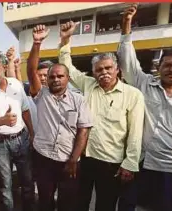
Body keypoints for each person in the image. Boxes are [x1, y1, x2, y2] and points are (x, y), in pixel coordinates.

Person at [58, 21, 145, 211]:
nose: (103, 72)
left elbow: (135, 132)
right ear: (94, 72)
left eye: (108, 68)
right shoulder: (88, 85)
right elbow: (68, 68)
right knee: (80, 202)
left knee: (105, 205)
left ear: (117, 70)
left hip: (111, 163)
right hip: (86, 159)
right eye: (99, 70)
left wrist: (130, 163)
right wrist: (65, 40)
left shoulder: (133, 94)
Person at [117, 4, 172, 211]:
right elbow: (128, 61)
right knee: (127, 205)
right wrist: (126, 26)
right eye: (168, 65)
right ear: (159, 68)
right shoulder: (146, 84)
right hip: (144, 164)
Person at [27, 24, 93, 211]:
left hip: (68, 161)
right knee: (45, 202)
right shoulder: (41, 95)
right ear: (46, 79)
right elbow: (31, 71)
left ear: (67, 78)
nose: (56, 79)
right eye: (52, 76)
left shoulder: (79, 100)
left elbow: (83, 131)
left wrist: (73, 160)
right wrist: (37, 43)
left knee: (67, 203)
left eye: (60, 76)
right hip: (43, 158)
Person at [0, 52, 35, 211]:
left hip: (21, 139)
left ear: (3, 67)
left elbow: (25, 110)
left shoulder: (16, 84)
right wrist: (3, 120)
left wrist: (32, 134)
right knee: (5, 186)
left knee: (28, 181)